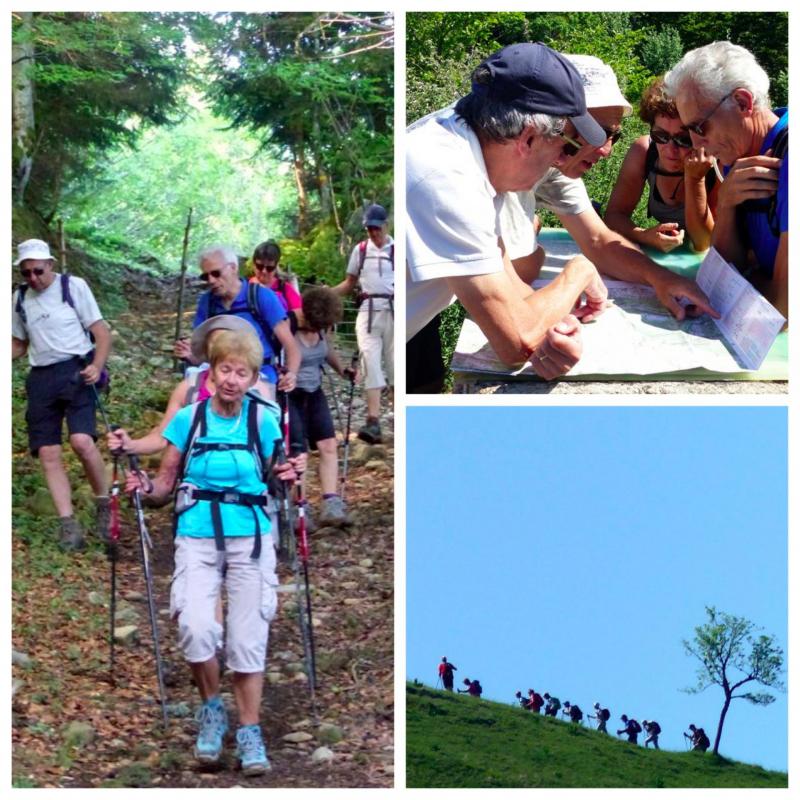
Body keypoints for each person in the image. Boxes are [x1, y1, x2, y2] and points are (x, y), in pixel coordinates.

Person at [124, 328, 301, 775]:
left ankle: (249, 731)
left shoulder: (262, 420)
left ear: (251, 378)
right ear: (211, 372)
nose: (232, 380)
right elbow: (164, 484)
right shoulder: (189, 418)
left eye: (242, 373)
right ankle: (211, 709)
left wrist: (291, 473)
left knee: (246, 641)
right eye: (225, 370)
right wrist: (142, 487)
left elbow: (278, 477)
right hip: (197, 535)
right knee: (197, 628)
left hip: (252, 537)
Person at [406, 42, 611, 391]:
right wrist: (580, 272)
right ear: (528, 138)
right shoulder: (449, 178)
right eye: (564, 147)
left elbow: (512, 293)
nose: (561, 162)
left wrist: (552, 317)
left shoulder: (476, 145)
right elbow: (516, 342)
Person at [500, 54, 717, 324]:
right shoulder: (492, 165)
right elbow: (515, 294)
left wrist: (662, 278)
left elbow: (599, 241)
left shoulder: (554, 164)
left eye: (614, 136)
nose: (606, 150)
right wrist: (576, 273)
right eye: (597, 133)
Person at [664, 41, 788, 319]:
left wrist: (747, 278)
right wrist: (728, 202)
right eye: (689, 131)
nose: (697, 144)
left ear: (743, 102)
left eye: (699, 127)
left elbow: (782, 309)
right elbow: (721, 275)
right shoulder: (739, 154)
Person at [11, 238, 112, 551]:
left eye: (38, 270)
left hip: (77, 370)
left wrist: (97, 365)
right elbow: (19, 344)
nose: (33, 278)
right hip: (41, 376)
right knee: (48, 452)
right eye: (26, 272)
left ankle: (104, 506)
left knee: (82, 441)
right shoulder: (19, 299)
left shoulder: (73, 287)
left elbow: (101, 332)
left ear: (50, 265)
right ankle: (68, 525)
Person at [109, 316, 275, 456]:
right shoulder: (189, 387)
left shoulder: (259, 390)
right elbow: (163, 435)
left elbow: (271, 444)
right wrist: (130, 445)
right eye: (214, 342)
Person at [605, 76, 718, 252]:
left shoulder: (716, 164)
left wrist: (695, 179)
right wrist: (644, 235)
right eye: (661, 136)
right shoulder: (644, 151)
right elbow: (614, 216)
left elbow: (704, 242)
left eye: (683, 140)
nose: (670, 149)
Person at [173, 245, 300, 399]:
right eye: (206, 276)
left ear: (233, 268)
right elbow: (203, 356)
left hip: (260, 377)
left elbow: (291, 346)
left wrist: (291, 374)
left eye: (216, 273)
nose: (211, 280)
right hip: (219, 381)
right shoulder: (207, 303)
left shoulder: (261, 297)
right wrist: (189, 354)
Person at [287, 287, 357, 526]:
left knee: (328, 444)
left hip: (314, 392)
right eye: (319, 325)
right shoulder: (289, 324)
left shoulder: (321, 327)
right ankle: (300, 507)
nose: (321, 329)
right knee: (298, 452)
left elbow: (328, 351)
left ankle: (331, 503)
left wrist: (344, 371)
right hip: (290, 395)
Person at [332, 204, 394, 443]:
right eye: (369, 228)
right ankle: (373, 421)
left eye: (376, 228)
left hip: (394, 311)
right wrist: (329, 295)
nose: (373, 233)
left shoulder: (397, 250)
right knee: (369, 362)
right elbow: (349, 283)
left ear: (385, 225)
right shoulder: (360, 250)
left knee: (395, 366)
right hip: (367, 311)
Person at [249, 240, 302, 312]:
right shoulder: (245, 286)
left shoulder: (285, 288)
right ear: (254, 264)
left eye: (269, 268)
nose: (264, 271)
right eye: (260, 266)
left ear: (276, 266)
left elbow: (299, 312)